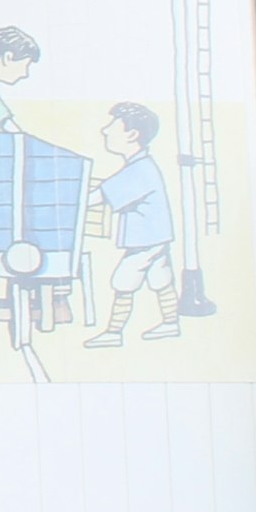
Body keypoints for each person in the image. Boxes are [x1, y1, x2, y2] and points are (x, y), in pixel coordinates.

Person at [86, 102, 180, 346]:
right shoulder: (140, 166)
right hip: (155, 237)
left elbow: (99, 197)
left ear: (132, 134)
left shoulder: (140, 170)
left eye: (112, 126)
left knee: (123, 281)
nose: (105, 131)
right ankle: (171, 323)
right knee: (160, 277)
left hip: (145, 241)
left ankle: (113, 333)